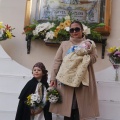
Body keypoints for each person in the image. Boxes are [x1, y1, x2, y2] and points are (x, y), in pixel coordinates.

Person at [49, 20, 99, 120]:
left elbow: (94, 58)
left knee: (80, 110)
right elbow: (57, 61)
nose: (74, 32)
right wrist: (53, 78)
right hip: (66, 81)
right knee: (68, 109)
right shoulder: (64, 44)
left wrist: (82, 57)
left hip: (82, 80)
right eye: (71, 30)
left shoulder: (89, 44)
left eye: (77, 29)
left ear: (82, 30)